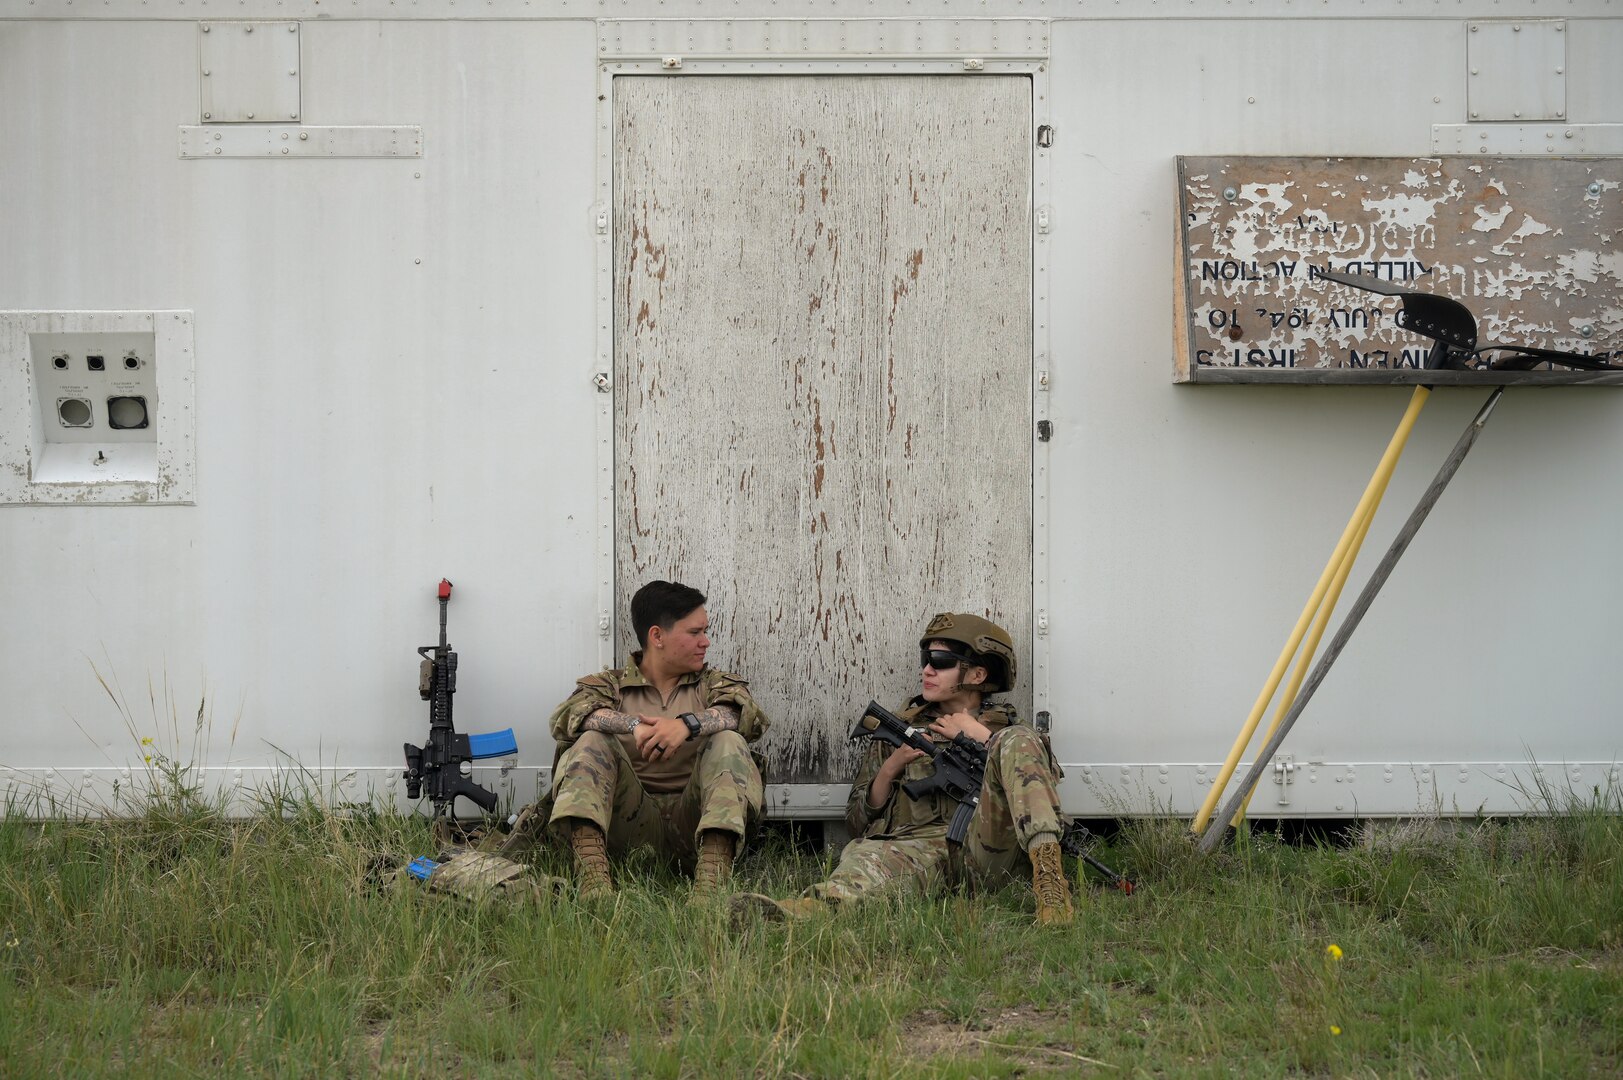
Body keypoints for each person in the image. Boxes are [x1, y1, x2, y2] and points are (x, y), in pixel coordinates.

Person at [731, 612, 1075, 925]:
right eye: (926, 660)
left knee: (1017, 739)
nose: (927, 670)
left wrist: (981, 738)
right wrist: (891, 766)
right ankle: (804, 913)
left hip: (990, 854)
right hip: (919, 849)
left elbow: (1043, 785)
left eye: (940, 662)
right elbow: (856, 822)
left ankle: (1050, 884)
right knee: (865, 862)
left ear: (978, 674)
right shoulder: (901, 730)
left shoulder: (1010, 731)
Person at [547, 580, 769, 899]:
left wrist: (686, 725)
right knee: (591, 740)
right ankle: (593, 882)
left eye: (705, 632)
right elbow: (570, 717)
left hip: (695, 827)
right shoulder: (610, 685)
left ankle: (710, 887)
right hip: (626, 830)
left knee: (729, 740)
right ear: (657, 636)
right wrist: (634, 724)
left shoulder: (713, 684)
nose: (705, 642)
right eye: (695, 633)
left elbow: (745, 716)